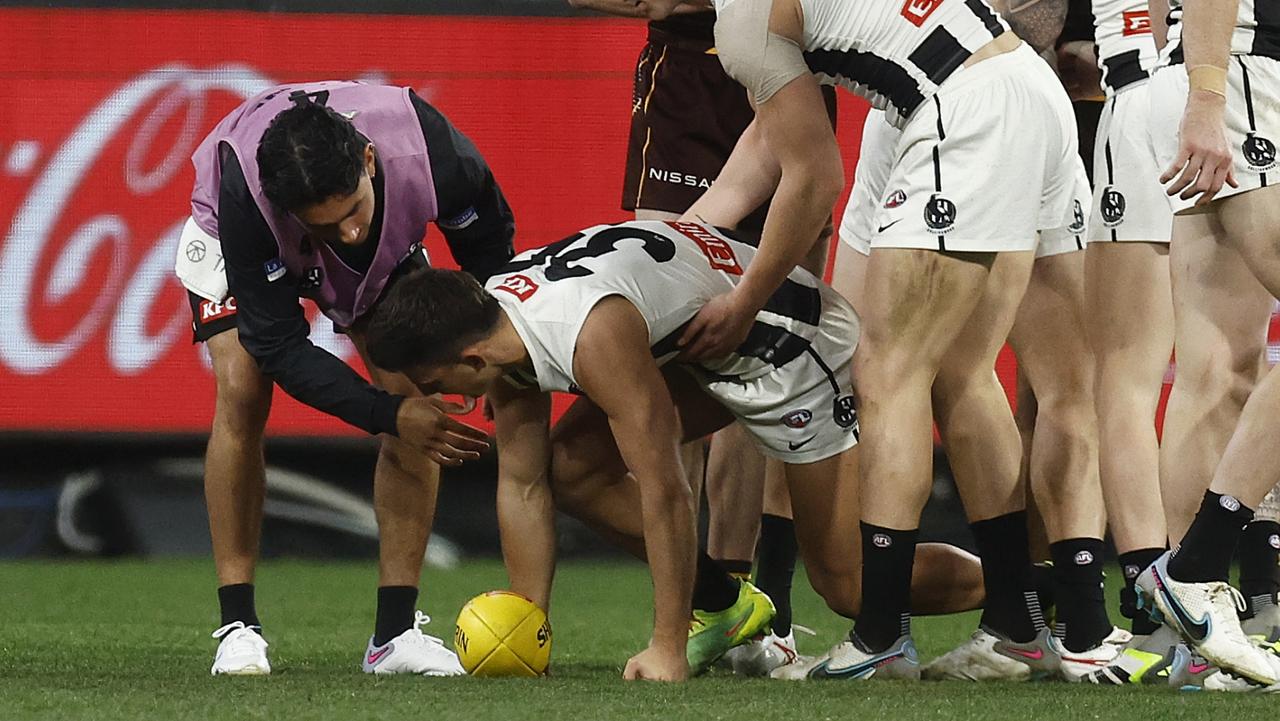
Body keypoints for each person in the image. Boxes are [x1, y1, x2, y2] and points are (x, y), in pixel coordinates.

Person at [640, 0, 1084, 679]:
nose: (635, 8)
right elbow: (766, 144)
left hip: (962, 108)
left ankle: (879, 633)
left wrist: (744, 300)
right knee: (963, 372)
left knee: (885, 371)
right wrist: (667, 249)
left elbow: (814, 178)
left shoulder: (741, 23)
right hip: (1027, 90)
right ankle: (1019, 624)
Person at [364, 219, 984, 682]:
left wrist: (665, 647)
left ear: (470, 361)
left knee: (847, 583)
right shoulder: (493, 317)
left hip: (795, 351)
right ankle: (723, 606)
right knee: (571, 467)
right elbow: (523, 483)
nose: (448, 401)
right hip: (708, 353)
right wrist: (532, 630)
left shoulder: (588, 333)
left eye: (437, 385)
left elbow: (665, 488)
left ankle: (1028, 590)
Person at [175, 80, 514, 676]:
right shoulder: (246, 196)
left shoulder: (432, 152)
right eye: (326, 228)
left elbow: (490, 255)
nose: (349, 235)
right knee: (244, 390)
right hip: (230, 239)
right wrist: (385, 414)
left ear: (369, 160)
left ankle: (394, 636)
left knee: (414, 396)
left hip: (383, 242)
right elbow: (279, 345)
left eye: (353, 211)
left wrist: (490, 355)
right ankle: (239, 626)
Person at [1134, 0, 1280, 690]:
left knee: (1216, 369)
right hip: (1240, 76)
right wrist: (1209, 97)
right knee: (1214, 371)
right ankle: (1195, 569)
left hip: (1222, 76)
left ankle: (1207, 635)